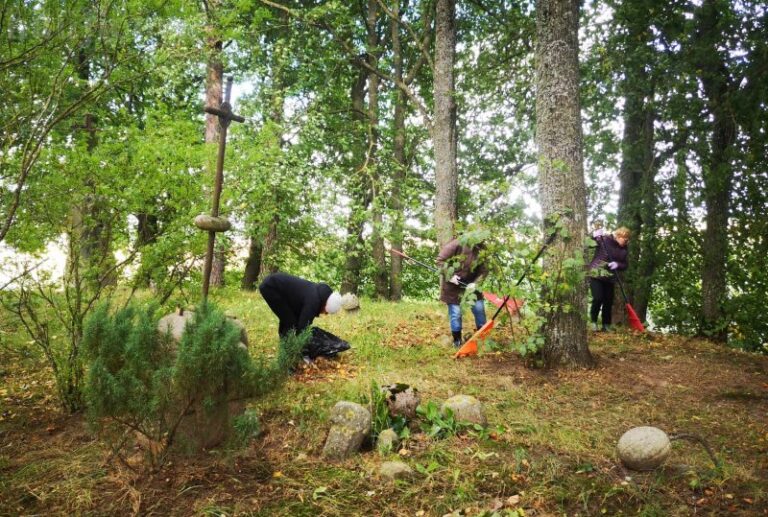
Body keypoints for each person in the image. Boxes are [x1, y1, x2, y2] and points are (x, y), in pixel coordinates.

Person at [437, 236, 488, 347]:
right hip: (453, 287)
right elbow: (440, 260)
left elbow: (484, 270)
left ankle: (483, 338)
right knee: (456, 313)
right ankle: (457, 341)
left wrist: (476, 283)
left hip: (472, 286)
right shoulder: (456, 244)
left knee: (479, 309)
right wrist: (450, 276)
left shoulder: (482, 248)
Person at [258, 272, 343, 338]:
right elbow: (303, 326)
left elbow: (302, 318)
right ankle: (287, 347)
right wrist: (303, 348)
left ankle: (286, 344)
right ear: (326, 305)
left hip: (276, 286)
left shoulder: (318, 293)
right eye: (326, 311)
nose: (325, 314)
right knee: (290, 322)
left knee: (290, 318)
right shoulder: (314, 301)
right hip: (271, 287)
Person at [588, 226, 630, 331]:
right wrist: (594, 235)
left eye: (627, 239)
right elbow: (590, 243)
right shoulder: (605, 239)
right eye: (624, 238)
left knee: (608, 301)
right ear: (618, 236)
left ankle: (606, 325)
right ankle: (593, 322)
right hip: (596, 274)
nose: (625, 241)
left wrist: (618, 264)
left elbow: (625, 264)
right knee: (598, 298)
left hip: (610, 277)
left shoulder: (624, 249)